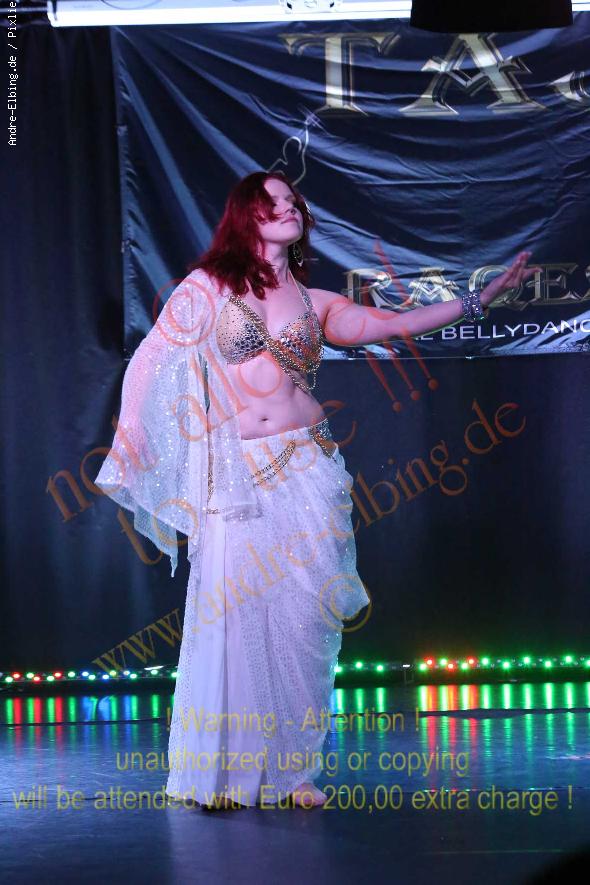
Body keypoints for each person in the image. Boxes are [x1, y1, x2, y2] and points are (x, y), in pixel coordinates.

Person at [95, 170, 541, 811]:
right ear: (246, 215)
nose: (288, 208)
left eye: (293, 202)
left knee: (306, 617)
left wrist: (480, 301)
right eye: (272, 201)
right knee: (236, 613)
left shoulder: (316, 302)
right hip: (238, 472)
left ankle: (292, 772)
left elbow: (394, 325)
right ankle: (226, 773)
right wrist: (135, 436)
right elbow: (150, 360)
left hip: (308, 465)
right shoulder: (207, 288)